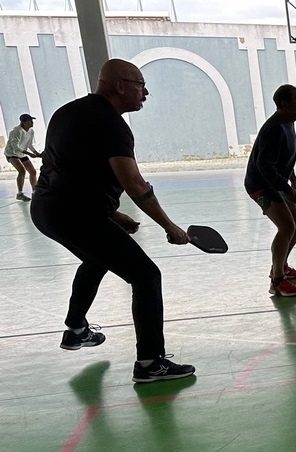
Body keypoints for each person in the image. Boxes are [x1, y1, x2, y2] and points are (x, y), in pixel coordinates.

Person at [30, 58, 196, 382]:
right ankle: (150, 363)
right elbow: (134, 183)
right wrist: (170, 226)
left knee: (96, 260)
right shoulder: (112, 124)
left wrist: (113, 214)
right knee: (146, 276)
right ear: (119, 86)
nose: (145, 93)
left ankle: (76, 329)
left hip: (46, 209)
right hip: (75, 214)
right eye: (140, 85)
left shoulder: (67, 112)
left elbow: (71, 171)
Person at [245, 84, 296, 298]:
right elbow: (264, 166)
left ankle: (281, 266)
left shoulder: (288, 124)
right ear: (284, 104)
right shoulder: (274, 128)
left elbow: (281, 156)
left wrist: (291, 174)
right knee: (287, 226)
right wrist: (286, 188)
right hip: (260, 185)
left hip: (276, 181)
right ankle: (277, 281)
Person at [5, 113, 43, 201]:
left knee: (33, 172)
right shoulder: (17, 131)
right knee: (22, 171)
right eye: (29, 121)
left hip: (21, 153)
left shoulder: (31, 131)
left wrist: (36, 153)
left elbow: (29, 144)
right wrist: (29, 154)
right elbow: (15, 146)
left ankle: (35, 192)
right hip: (12, 153)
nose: (32, 123)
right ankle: (20, 194)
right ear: (23, 122)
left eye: (32, 120)